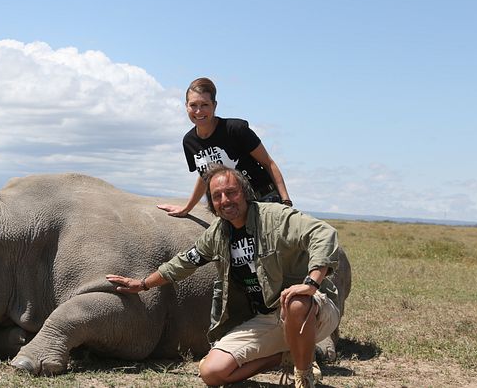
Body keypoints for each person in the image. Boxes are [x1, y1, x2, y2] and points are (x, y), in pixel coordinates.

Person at [107, 165, 340, 387]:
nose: (225, 200)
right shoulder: (218, 233)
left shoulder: (274, 216)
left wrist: (310, 284)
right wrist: (143, 284)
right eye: (217, 196)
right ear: (212, 203)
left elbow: (323, 232)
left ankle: (303, 376)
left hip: (313, 311)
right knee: (212, 373)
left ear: (245, 193)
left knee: (296, 303)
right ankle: (284, 357)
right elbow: (184, 262)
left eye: (231, 192)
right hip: (268, 316)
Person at [158, 77, 292, 217]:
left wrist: (286, 202)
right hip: (231, 206)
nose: (198, 111)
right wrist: (187, 208)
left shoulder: (235, 129)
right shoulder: (189, 141)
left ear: (214, 105)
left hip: (263, 199)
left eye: (204, 104)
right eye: (193, 105)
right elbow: (205, 177)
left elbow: (268, 163)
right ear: (186, 106)